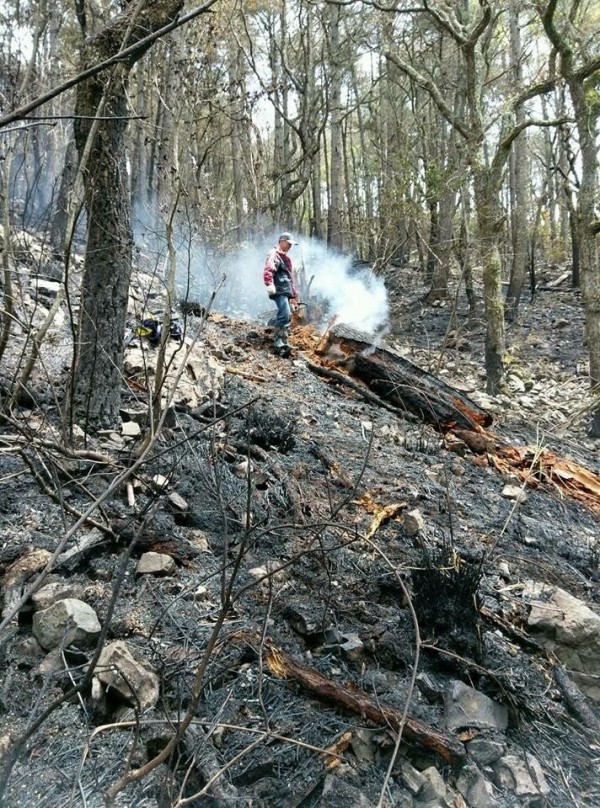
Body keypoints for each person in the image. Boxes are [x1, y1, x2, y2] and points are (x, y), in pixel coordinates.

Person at [263, 232, 299, 355]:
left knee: (287, 315)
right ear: (282, 241)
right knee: (284, 314)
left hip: (285, 290)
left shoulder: (285, 258)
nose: (290, 246)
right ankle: (278, 341)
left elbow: (290, 279)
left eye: (291, 244)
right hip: (278, 289)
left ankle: (284, 341)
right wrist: (269, 283)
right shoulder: (274, 254)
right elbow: (269, 268)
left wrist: (293, 296)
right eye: (288, 243)